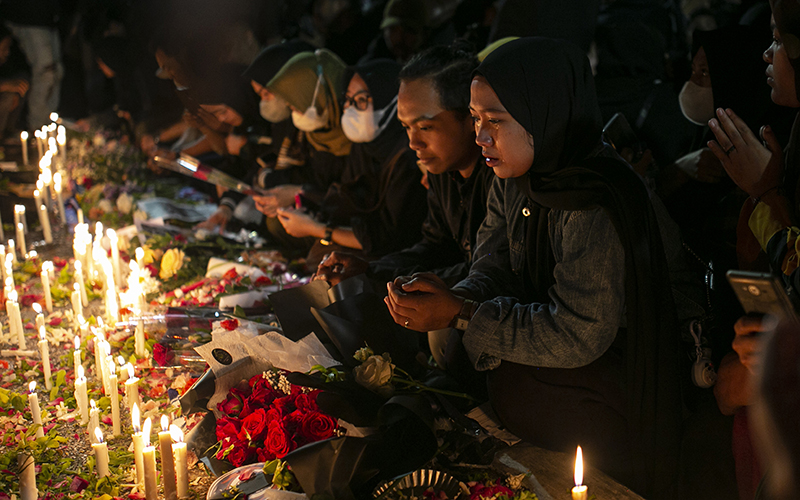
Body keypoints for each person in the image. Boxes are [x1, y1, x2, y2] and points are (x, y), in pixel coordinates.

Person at [384, 38, 692, 498]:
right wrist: (451, 299)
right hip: (573, 347)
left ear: (543, 112)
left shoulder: (595, 200)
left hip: (630, 362)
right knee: (454, 345)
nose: (480, 137)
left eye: (495, 121)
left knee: (513, 383)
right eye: (474, 118)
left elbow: (580, 332)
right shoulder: (515, 177)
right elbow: (494, 264)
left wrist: (463, 313)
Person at [314, 44, 491, 287]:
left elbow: (488, 272)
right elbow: (436, 247)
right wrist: (369, 269)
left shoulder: (501, 178)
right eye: (406, 127)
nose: (413, 143)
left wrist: (402, 282)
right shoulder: (442, 171)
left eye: (425, 127)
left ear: (472, 118)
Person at [272, 59, 428, 259]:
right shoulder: (363, 146)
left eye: (361, 100)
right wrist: (307, 210)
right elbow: (348, 200)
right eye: (347, 99)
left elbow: (389, 239)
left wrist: (319, 229)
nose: (349, 108)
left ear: (390, 102)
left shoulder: (410, 157)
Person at [1, 0, 62, 129]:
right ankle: (37, 128)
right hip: (29, 15)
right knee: (46, 72)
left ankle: (49, 125)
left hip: (48, 17)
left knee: (58, 71)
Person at [0, 25, 29, 141]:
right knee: (7, 97)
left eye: (8, 48)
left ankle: (8, 133)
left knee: (21, 83)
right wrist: (4, 86)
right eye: (4, 48)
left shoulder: (5, 63)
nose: (7, 52)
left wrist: (15, 91)